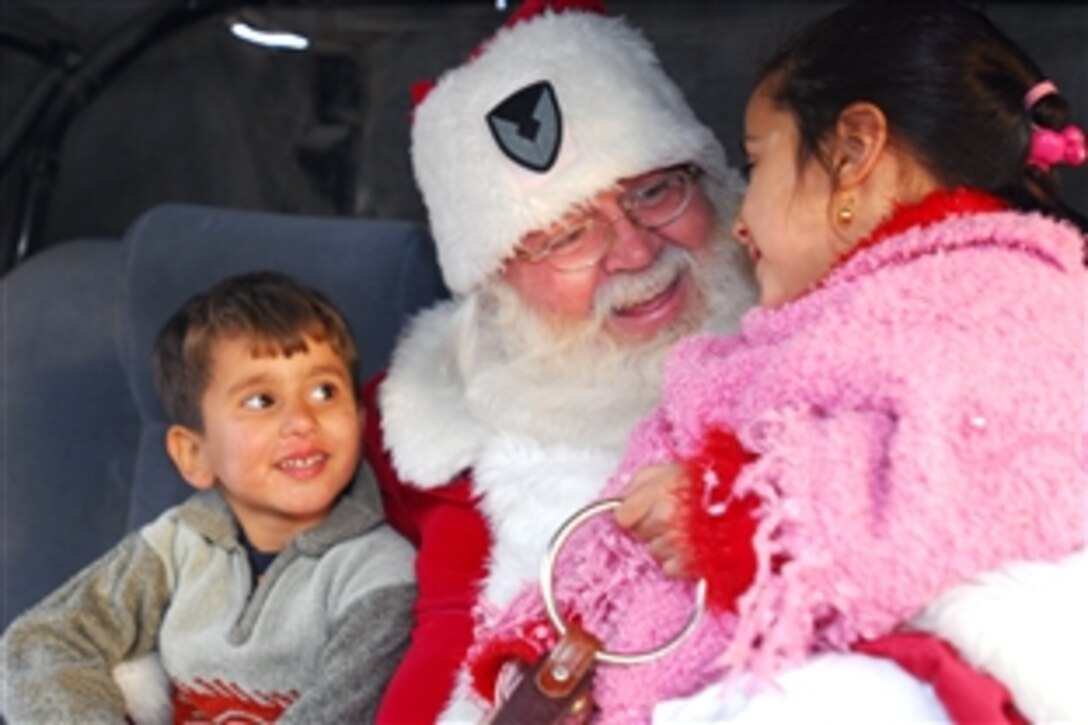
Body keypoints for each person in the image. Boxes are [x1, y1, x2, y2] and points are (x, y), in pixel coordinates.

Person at [466, 3, 1087, 722]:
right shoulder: (819, 324)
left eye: (757, 162)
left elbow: (984, 486)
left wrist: (730, 513)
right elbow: (641, 501)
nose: (739, 217)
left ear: (853, 151)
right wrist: (541, 648)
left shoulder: (1013, 302)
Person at [363, 0, 758, 721]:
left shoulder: (825, 353)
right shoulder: (411, 430)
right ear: (495, 285)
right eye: (568, 236)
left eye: (654, 190)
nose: (637, 253)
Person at [0, 271, 416, 723]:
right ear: (195, 454)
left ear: (359, 420)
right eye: (261, 401)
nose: (301, 421)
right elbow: (41, 643)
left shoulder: (381, 575)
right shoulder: (178, 544)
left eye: (324, 391)